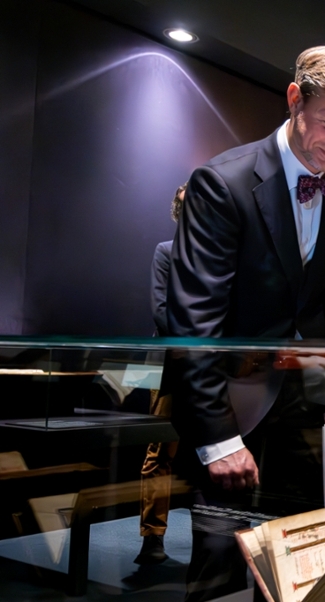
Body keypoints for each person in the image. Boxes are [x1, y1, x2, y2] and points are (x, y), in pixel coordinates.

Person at [166, 43, 325, 602]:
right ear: (295, 100)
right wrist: (217, 441)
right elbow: (194, 322)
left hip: (302, 399)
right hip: (230, 398)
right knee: (219, 556)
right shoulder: (223, 183)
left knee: (305, 551)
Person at [134, 182, 187, 566]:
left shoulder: (221, 257)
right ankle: (152, 537)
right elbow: (161, 312)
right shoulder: (165, 252)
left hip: (210, 370)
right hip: (173, 367)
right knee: (159, 452)